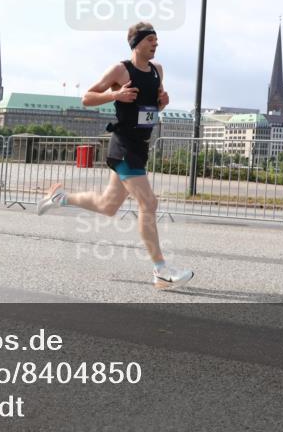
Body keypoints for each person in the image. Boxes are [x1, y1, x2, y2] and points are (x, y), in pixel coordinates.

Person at [37, 22, 194, 290]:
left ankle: (61, 198)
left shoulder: (158, 70)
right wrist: (116, 94)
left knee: (108, 206)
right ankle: (161, 271)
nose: (156, 44)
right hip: (123, 146)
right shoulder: (121, 70)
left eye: (157, 40)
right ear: (136, 43)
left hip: (141, 145)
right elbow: (87, 97)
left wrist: (162, 102)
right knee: (149, 203)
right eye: (150, 40)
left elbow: (152, 105)